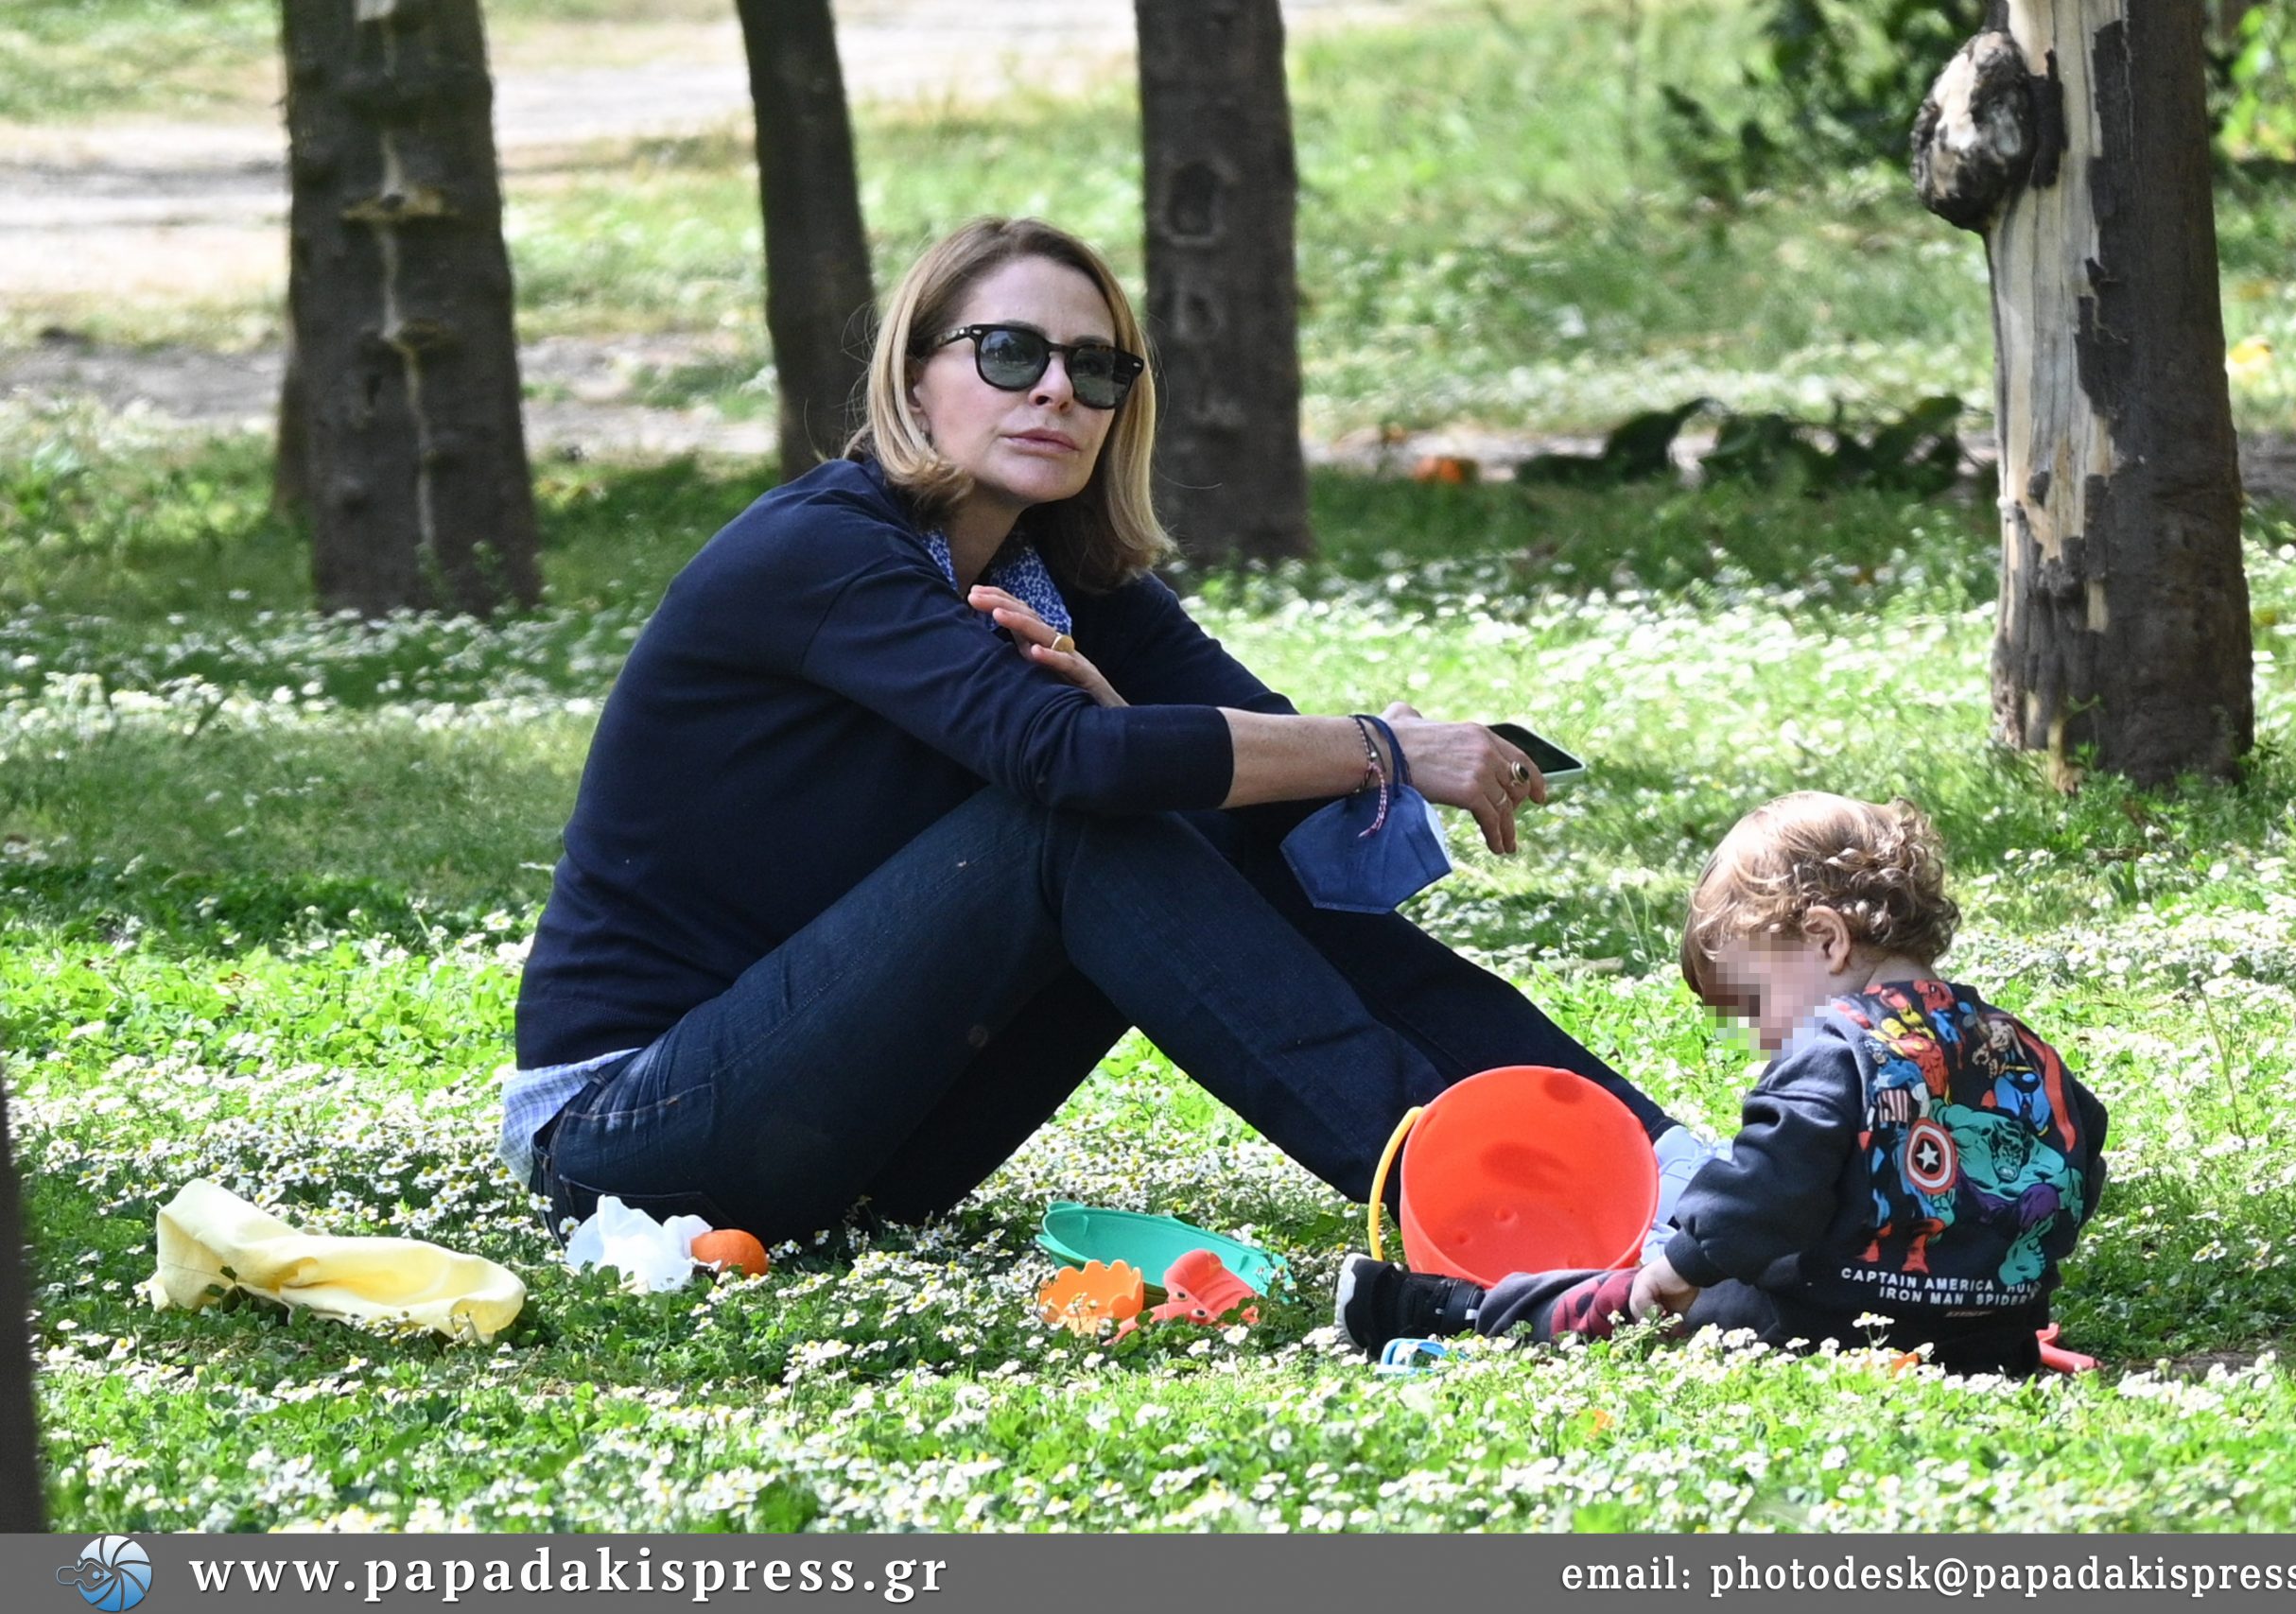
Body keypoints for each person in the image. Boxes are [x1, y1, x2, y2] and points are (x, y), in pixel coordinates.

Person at [503, 216, 1674, 1246]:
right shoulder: (817, 550)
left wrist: (1302, 751)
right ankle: (1467, 1196)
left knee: (1211, 816)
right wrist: (1377, 746)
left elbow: (1261, 763)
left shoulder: (1063, 571)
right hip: (633, 1137)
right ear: (915, 379)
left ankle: (1668, 1173)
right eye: (1010, 354)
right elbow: (1070, 767)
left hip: (874, 1144)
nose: (1056, 391)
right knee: (1079, 823)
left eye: (1096, 369)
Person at [1335, 792, 2107, 1377]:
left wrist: (1680, 1264)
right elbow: (2083, 1144)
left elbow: (1766, 1191)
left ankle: (1452, 1307)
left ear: (1827, 939)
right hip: (1987, 1341)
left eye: (1754, 1002)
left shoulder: (1836, 1045)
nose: (1764, 1036)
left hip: (1826, 1327)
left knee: (1639, 1302)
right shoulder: (2017, 1045)